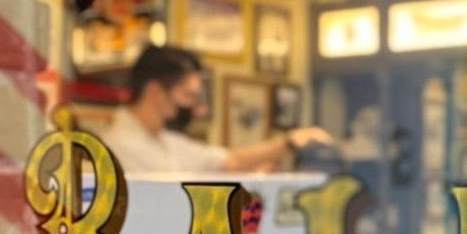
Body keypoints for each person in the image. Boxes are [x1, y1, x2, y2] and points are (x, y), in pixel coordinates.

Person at [103, 45, 332, 175]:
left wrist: (287, 145)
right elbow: (181, 194)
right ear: (155, 91)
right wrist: (287, 143)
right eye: (187, 95)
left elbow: (228, 161)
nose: (194, 107)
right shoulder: (121, 146)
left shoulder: (166, 141)